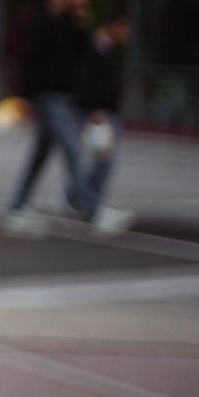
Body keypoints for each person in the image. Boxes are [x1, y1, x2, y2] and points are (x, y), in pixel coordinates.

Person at [3, 0, 130, 236]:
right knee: (73, 150)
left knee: (40, 155)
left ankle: (16, 208)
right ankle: (92, 210)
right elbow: (27, 59)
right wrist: (24, 96)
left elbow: (82, 58)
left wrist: (82, 21)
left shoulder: (69, 23)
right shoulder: (41, 20)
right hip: (48, 97)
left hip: (64, 98)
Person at [75, 16, 133, 235]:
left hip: (107, 113)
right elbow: (86, 78)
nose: (128, 34)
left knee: (101, 161)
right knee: (103, 161)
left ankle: (78, 196)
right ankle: (91, 206)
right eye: (125, 28)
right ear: (114, 26)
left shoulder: (111, 50)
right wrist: (94, 109)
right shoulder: (96, 48)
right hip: (99, 113)